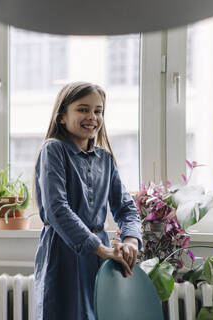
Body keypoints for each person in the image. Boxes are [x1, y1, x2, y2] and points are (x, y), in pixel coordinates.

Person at [34, 81, 142, 320]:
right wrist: (100, 248)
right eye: (83, 109)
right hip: (61, 252)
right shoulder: (53, 149)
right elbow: (57, 209)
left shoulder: (105, 158)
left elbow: (126, 209)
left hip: (100, 257)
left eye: (98, 111)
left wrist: (131, 242)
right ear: (62, 116)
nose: (92, 116)